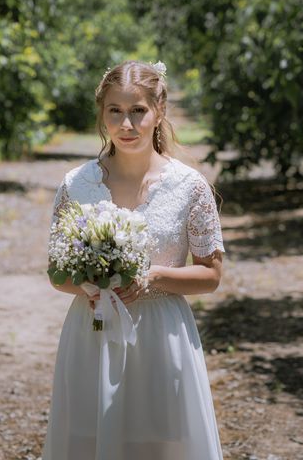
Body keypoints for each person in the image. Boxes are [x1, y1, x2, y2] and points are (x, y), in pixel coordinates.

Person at [42, 60, 225, 460]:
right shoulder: (77, 184)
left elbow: (211, 274)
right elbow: (57, 271)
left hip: (161, 335)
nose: (127, 124)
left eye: (138, 111)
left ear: (158, 111)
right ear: (102, 114)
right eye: (116, 111)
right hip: (93, 331)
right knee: (90, 442)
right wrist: (91, 286)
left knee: (159, 444)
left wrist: (154, 276)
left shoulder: (189, 187)